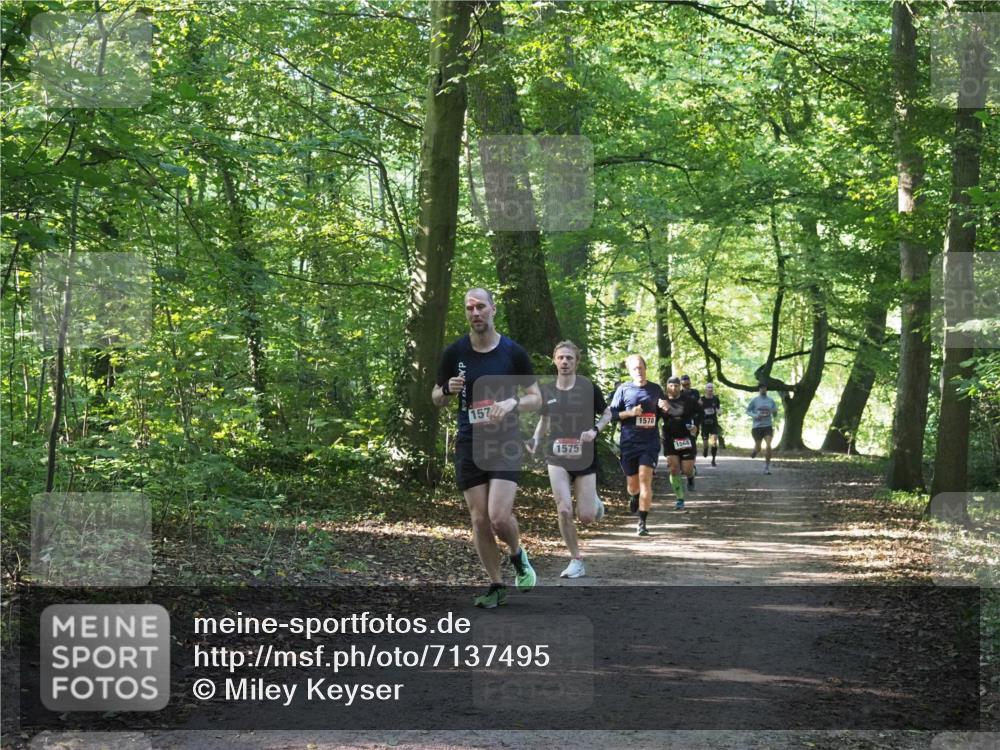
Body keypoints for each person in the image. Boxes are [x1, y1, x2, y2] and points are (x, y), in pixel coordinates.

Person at [433, 288, 542, 608]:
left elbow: (536, 398)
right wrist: (445, 389)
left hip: (505, 441)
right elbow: (435, 399)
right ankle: (496, 584)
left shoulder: (512, 352)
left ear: (493, 309)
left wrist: (511, 402)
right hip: (469, 442)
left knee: (497, 516)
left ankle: (518, 556)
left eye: (481, 306)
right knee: (479, 519)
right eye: (469, 308)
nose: (475, 312)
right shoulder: (455, 353)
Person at [527, 341, 612, 578]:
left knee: (586, 517)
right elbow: (544, 420)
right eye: (561, 358)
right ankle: (576, 560)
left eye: (569, 358)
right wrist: (535, 439)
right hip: (556, 456)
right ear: (554, 360)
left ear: (576, 362)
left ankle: (594, 502)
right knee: (564, 509)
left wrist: (594, 430)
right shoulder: (547, 390)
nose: (564, 362)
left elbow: (607, 413)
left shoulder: (587, 387)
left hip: (584, 456)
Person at [608, 355, 664, 537]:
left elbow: (662, 414)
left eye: (641, 367)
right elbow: (613, 415)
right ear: (630, 371)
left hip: (650, 442)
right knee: (633, 485)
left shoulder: (656, 389)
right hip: (629, 442)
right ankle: (633, 496)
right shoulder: (624, 390)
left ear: (645, 368)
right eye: (634, 369)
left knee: (645, 478)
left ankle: (642, 522)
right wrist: (631, 413)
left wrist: (665, 407)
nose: (638, 371)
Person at [659, 377, 699, 510]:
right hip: (670, 438)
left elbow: (700, 414)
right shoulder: (662, 401)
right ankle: (680, 498)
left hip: (686, 437)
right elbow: (654, 417)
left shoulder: (688, 400)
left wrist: (696, 427)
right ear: (667, 386)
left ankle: (691, 476)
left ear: (679, 386)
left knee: (687, 469)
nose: (674, 388)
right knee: (673, 468)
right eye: (671, 385)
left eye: (676, 386)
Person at [746, 382, 780, 474]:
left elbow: (775, 414)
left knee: (768, 445)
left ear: (766, 389)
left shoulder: (771, 401)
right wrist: (755, 415)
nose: (763, 389)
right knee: (758, 448)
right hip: (757, 427)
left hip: (767, 426)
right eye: (761, 388)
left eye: (764, 388)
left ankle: (766, 467)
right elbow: (748, 411)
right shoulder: (755, 400)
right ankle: (755, 451)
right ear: (759, 389)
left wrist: (775, 411)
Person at [679, 375, 702, 489]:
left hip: (694, 422)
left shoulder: (695, 392)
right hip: (682, 423)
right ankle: (684, 464)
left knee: (691, 443)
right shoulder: (679, 393)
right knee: (683, 443)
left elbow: (699, 406)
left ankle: (692, 465)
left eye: (687, 384)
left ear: (690, 383)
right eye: (684, 385)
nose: (686, 386)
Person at [699, 382, 723, 466]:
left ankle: (713, 459)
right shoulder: (701, 400)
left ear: (713, 389)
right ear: (706, 389)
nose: (710, 389)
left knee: (714, 442)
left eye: (711, 388)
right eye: (708, 387)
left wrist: (719, 412)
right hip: (704, 424)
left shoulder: (716, 399)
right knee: (705, 444)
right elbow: (697, 411)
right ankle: (705, 450)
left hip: (713, 424)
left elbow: (718, 409)